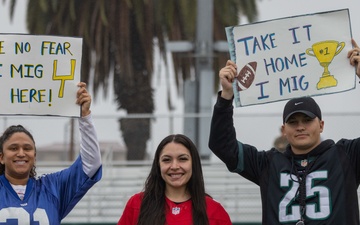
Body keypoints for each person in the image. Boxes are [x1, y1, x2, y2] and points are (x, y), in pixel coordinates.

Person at [208, 38, 360, 224]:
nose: (300, 126)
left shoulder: (347, 155)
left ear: (321, 125)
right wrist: (226, 96)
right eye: (293, 122)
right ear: (283, 130)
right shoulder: (268, 164)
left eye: (307, 120)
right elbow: (222, 145)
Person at [0, 82, 102, 225]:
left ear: (34, 157)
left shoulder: (52, 188)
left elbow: (90, 165)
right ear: (2, 157)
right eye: (13, 148)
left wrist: (84, 116)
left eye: (27, 148)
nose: (21, 153)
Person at [117, 134, 232, 225]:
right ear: (158, 165)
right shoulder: (137, 204)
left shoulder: (215, 211)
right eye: (167, 160)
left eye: (182, 159)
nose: (175, 166)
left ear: (194, 163)